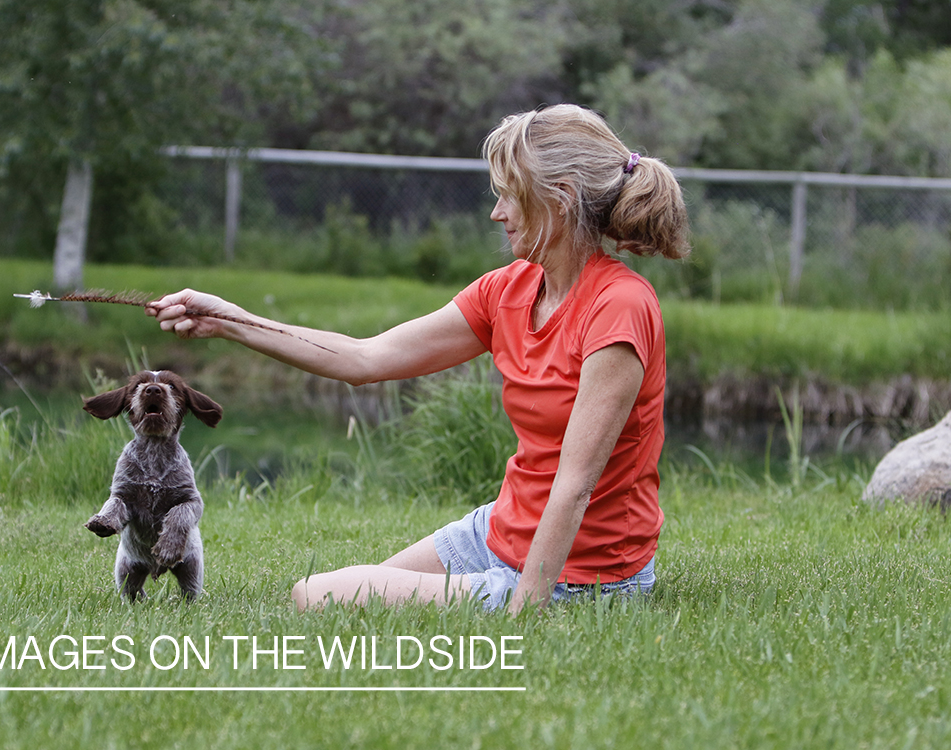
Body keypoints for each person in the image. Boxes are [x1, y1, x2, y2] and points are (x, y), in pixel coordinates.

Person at [148, 103, 690, 614]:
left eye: (509, 195)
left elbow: (575, 485)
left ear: (562, 197)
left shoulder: (618, 306)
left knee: (317, 595)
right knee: (350, 594)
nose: (496, 212)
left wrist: (524, 609)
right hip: (502, 530)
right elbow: (365, 358)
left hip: (587, 574)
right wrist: (231, 321)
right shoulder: (509, 289)